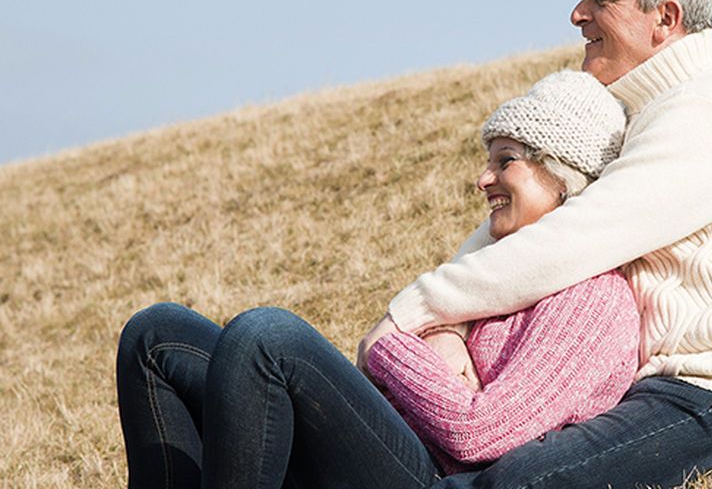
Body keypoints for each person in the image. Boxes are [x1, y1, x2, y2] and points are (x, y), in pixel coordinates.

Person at [359, 0, 712, 488]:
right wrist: (446, 323)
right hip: (667, 385)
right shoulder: (644, 112)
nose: (577, 13)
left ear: (666, 18)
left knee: (515, 483)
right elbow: (526, 230)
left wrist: (408, 315)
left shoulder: (709, 114)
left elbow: (571, 242)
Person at [115, 70, 637, 488]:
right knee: (156, 334)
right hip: (390, 446)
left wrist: (393, 344)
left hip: (433, 476)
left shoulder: (593, 299)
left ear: (562, 176)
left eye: (505, 161)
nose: (482, 179)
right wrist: (439, 341)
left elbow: (480, 431)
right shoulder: (500, 272)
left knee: (266, 337)